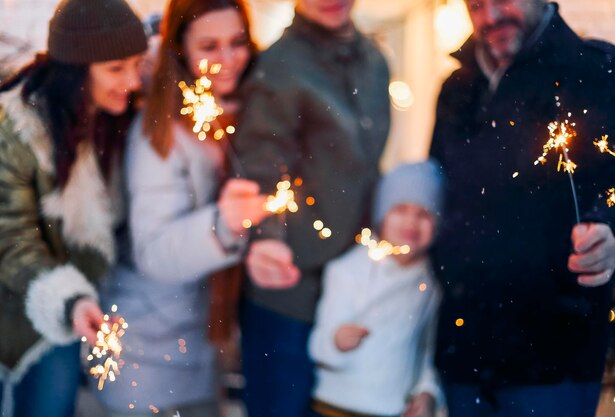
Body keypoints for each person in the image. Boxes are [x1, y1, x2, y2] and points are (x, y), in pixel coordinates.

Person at [430, 0, 615, 416]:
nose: (490, 17)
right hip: (463, 353)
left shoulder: (595, 71)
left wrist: (613, 230)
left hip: (552, 357)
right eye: (476, 5)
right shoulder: (457, 89)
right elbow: (438, 191)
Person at [94, 0, 266, 416]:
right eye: (209, 46)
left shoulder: (245, 115)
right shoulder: (159, 134)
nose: (227, 60)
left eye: (237, 42)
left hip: (203, 350)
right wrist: (224, 225)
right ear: (181, 50)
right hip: (148, 357)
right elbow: (154, 253)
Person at [232, 0, 391, 415]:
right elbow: (262, 167)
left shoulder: (374, 61)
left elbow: (369, 168)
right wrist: (267, 239)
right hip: (289, 293)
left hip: (354, 290)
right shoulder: (279, 67)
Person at [0, 1, 147, 416]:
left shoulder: (111, 118)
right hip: (23, 303)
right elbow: (9, 238)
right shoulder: (16, 130)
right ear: (75, 70)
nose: (133, 80)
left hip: (68, 318)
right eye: (116, 69)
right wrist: (69, 300)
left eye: (137, 64)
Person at [309, 161, 444, 417]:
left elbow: (424, 350)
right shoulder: (348, 271)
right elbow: (319, 344)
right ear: (382, 213)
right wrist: (336, 341)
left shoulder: (429, 282)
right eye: (401, 209)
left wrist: (427, 392)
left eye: (424, 214)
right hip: (335, 407)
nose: (411, 222)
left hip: (390, 410)